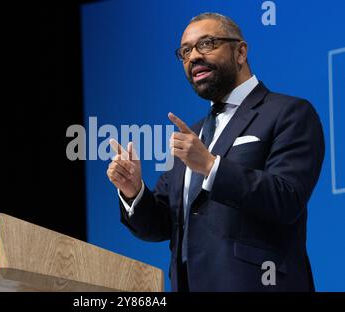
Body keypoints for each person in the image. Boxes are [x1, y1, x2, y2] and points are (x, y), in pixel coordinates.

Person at [106, 12, 324, 291]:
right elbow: (161, 225)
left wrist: (211, 166)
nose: (193, 57)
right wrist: (133, 190)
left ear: (241, 52)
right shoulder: (192, 134)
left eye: (206, 44)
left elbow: (286, 199)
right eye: (185, 51)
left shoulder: (289, 113)